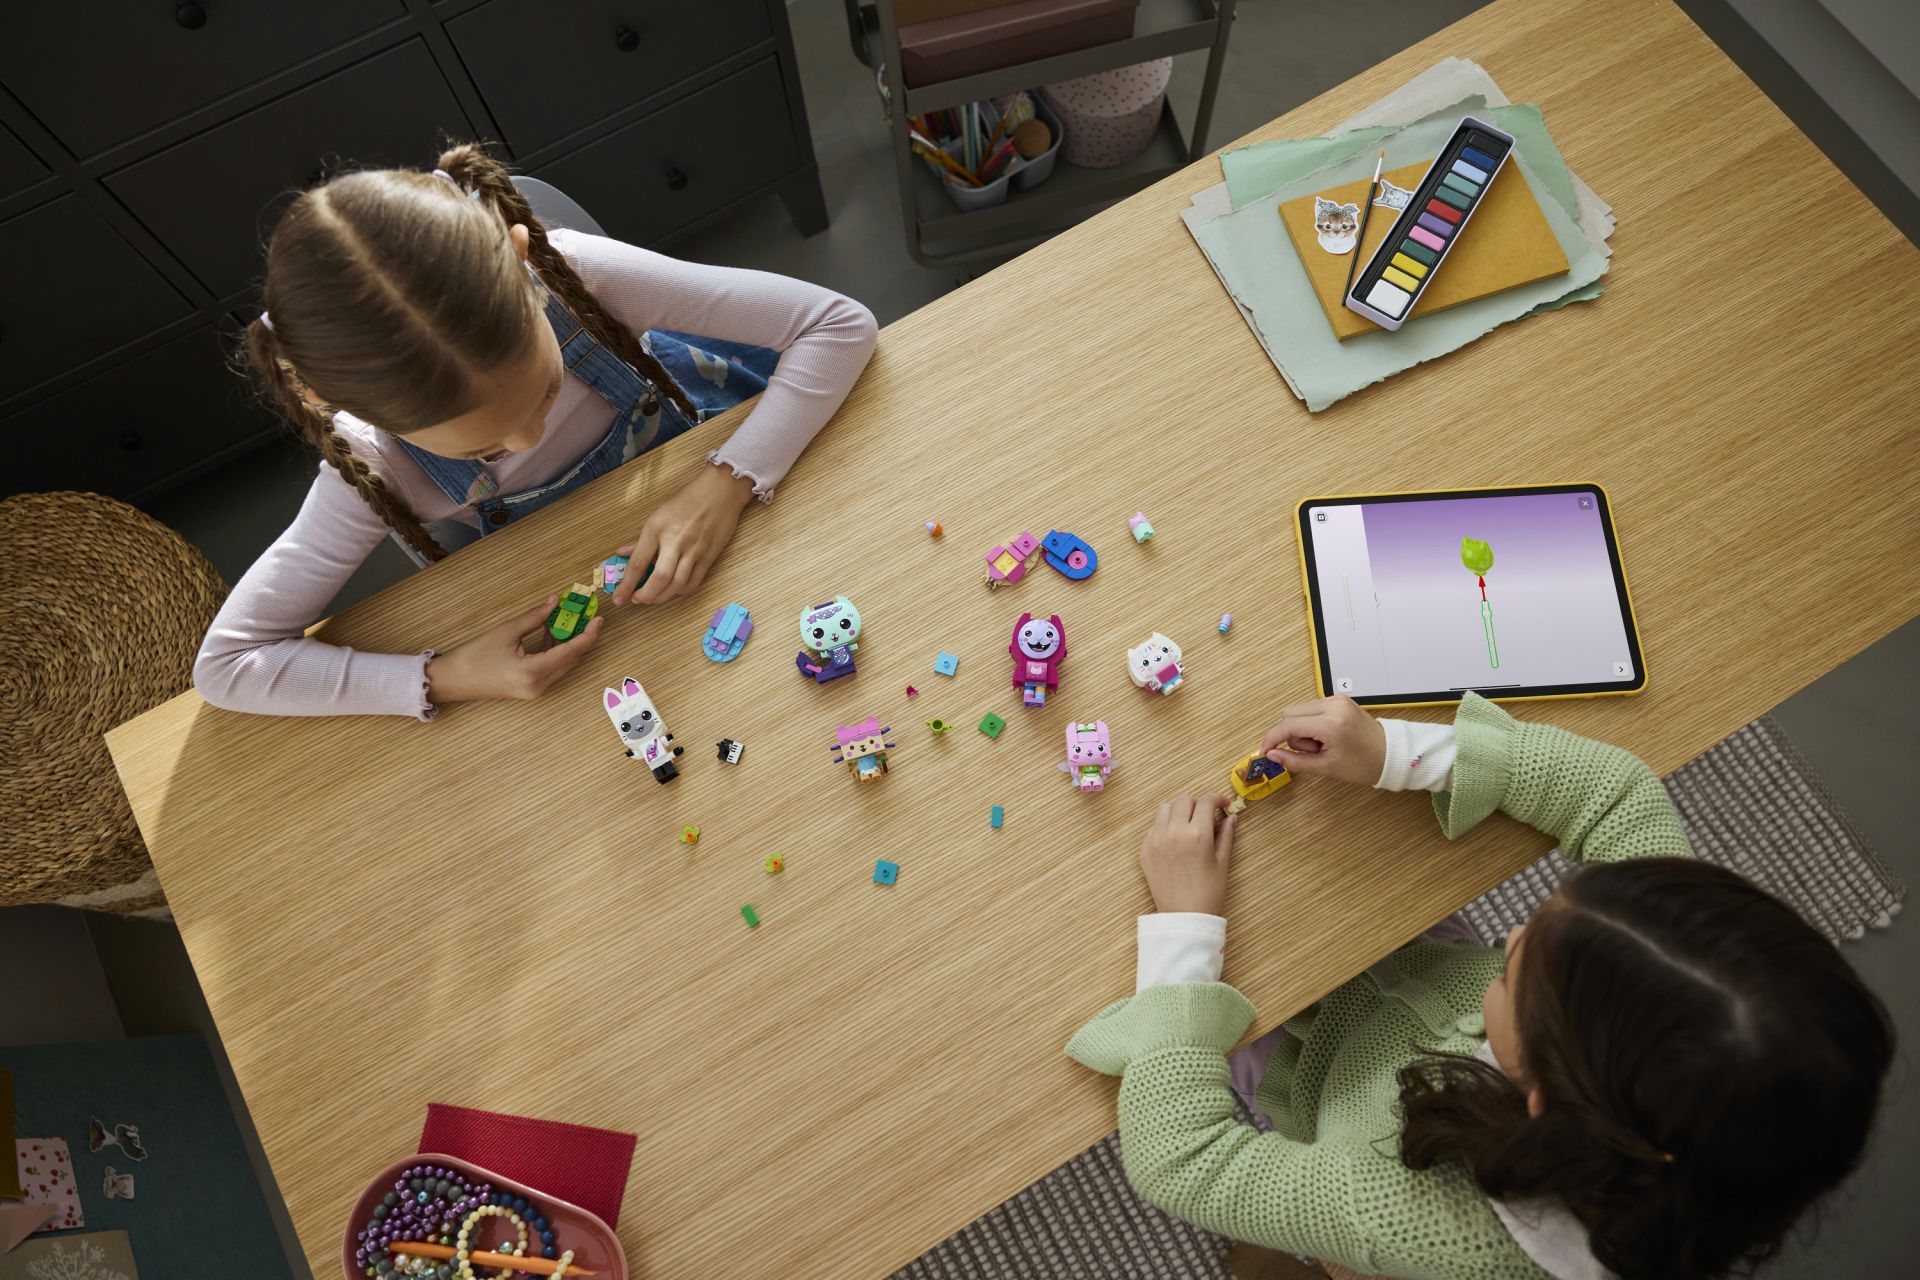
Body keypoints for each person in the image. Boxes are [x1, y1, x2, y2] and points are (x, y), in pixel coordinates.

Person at [1068, 694, 1893, 1280]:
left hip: (1310, 1074)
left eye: (1512, 971)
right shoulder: (1681, 969)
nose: (1511, 932)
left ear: (1537, 1091)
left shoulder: (1418, 1221)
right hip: (1414, 976)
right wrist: (1399, 752)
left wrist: (1185, 928)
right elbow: (1617, 793)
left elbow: (1182, 1161)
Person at [195, 144, 876, 718]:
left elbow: (839, 325)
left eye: (547, 391)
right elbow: (227, 664)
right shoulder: (373, 464)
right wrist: (443, 676)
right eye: (484, 450)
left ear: (521, 257)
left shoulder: (576, 274)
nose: (528, 438)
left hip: (746, 468)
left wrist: (726, 482)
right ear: (342, 404)